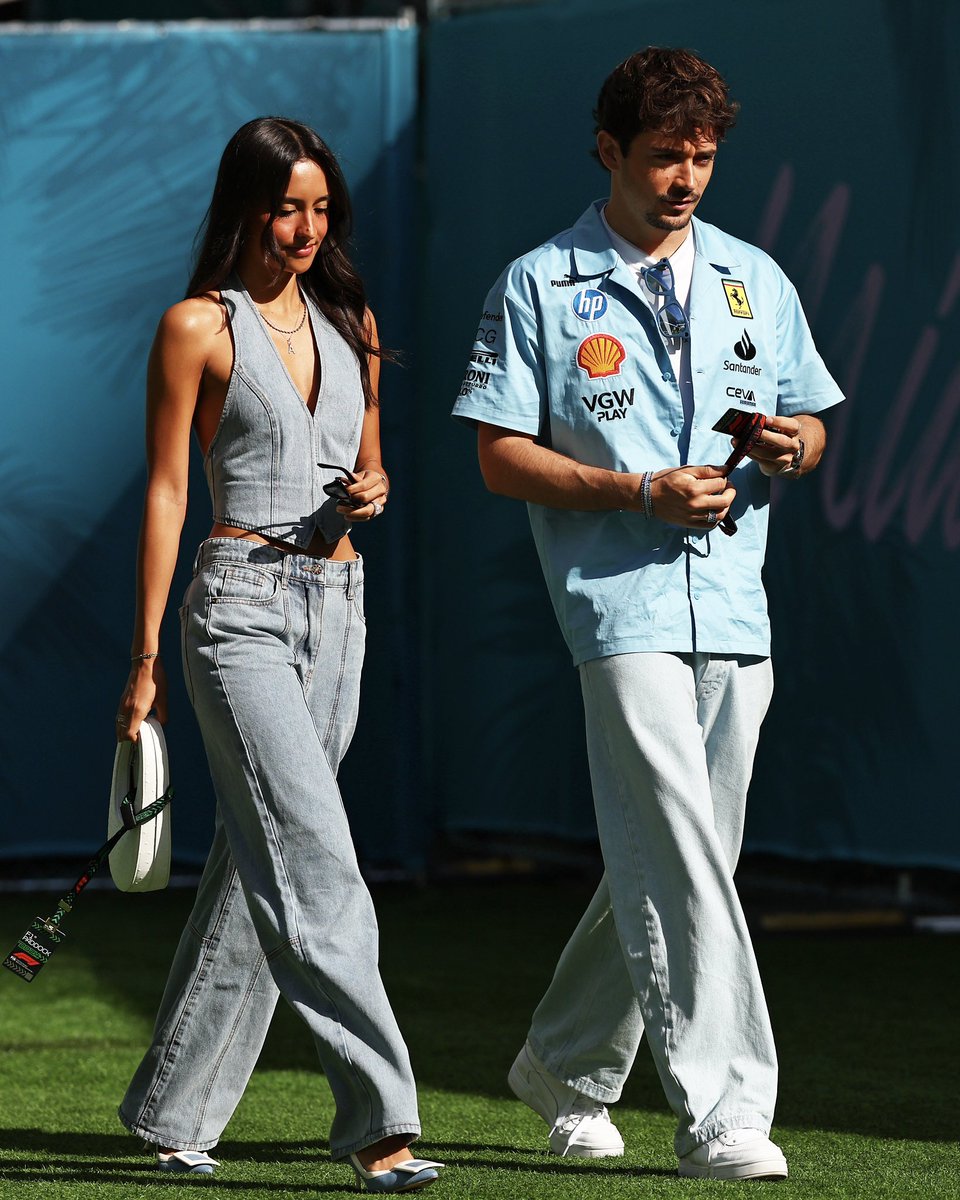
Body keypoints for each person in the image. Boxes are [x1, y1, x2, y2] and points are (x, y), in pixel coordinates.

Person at [453, 47, 843, 1180]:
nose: (686, 177)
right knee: (677, 842)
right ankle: (726, 1113)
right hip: (613, 606)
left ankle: (565, 1066)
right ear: (608, 150)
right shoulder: (537, 282)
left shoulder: (754, 277)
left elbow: (813, 424)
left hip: (735, 603)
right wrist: (635, 491)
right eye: (665, 155)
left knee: (688, 854)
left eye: (704, 158)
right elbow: (497, 456)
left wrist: (792, 444)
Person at [114, 117, 442, 1194]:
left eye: (320, 208)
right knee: (317, 865)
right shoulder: (198, 326)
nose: (306, 228)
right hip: (239, 610)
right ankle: (381, 1124)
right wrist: (145, 655)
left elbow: (374, 467)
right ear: (246, 208)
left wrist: (372, 493)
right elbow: (166, 491)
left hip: (339, 606)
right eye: (286, 207)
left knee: (265, 866)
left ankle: (172, 1115)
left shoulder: (354, 321)